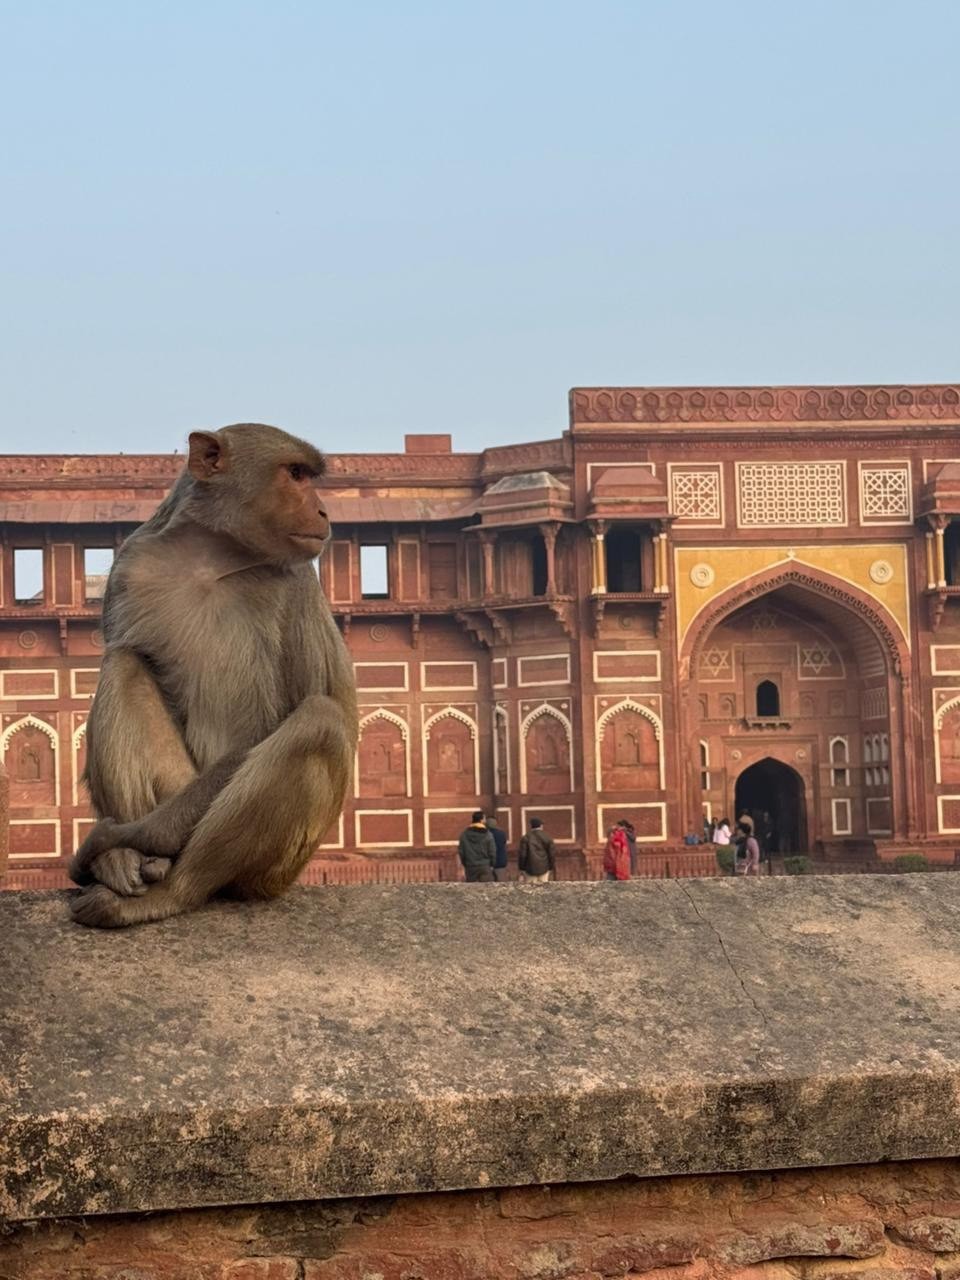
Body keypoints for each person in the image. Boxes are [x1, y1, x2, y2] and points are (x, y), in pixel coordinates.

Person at [458, 811, 496, 883]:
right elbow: (492, 851)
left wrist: (465, 863)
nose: (485, 821)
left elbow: (461, 852)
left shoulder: (464, 834)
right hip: (485, 866)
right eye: (484, 819)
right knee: (486, 890)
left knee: (471, 890)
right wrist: (492, 864)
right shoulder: (488, 834)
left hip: (470, 866)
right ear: (481, 820)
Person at [517, 816, 556, 882]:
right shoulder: (547, 837)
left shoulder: (526, 837)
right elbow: (551, 854)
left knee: (530, 890)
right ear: (541, 826)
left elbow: (522, 855)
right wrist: (551, 867)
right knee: (543, 889)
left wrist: (522, 868)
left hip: (529, 869)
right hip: (544, 868)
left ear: (531, 826)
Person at [485, 815, 509, 882]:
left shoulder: (484, 834)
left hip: (488, 864)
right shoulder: (501, 834)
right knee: (501, 886)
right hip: (500, 863)